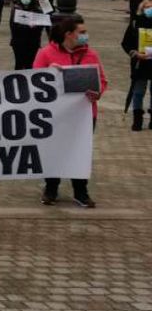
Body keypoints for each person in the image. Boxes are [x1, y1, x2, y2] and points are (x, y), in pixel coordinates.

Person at [34, 16, 106, 207]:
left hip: (84, 115)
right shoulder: (46, 53)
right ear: (68, 34)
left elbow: (102, 80)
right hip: (55, 114)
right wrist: (48, 73)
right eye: (81, 32)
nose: (85, 35)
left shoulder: (91, 54)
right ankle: (51, 189)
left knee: (80, 152)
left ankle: (81, 192)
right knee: (54, 150)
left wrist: (97, 93)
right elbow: (33, 81)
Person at [121, 0, 152, 130]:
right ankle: (137, 119)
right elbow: (125, 43)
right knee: (138, 91)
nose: (150, 9)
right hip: (140, 62)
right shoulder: (135, 23)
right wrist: (134, 53)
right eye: (147, 7)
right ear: (142, 8)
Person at [9, 0, 46, 70]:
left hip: (33, 42)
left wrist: (35, 26)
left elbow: (43, 22)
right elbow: (13, 26)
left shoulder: (36, 9)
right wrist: (27, 26)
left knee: (30, 64)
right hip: (19, 42)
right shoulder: (16, 9)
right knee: (19, 63)